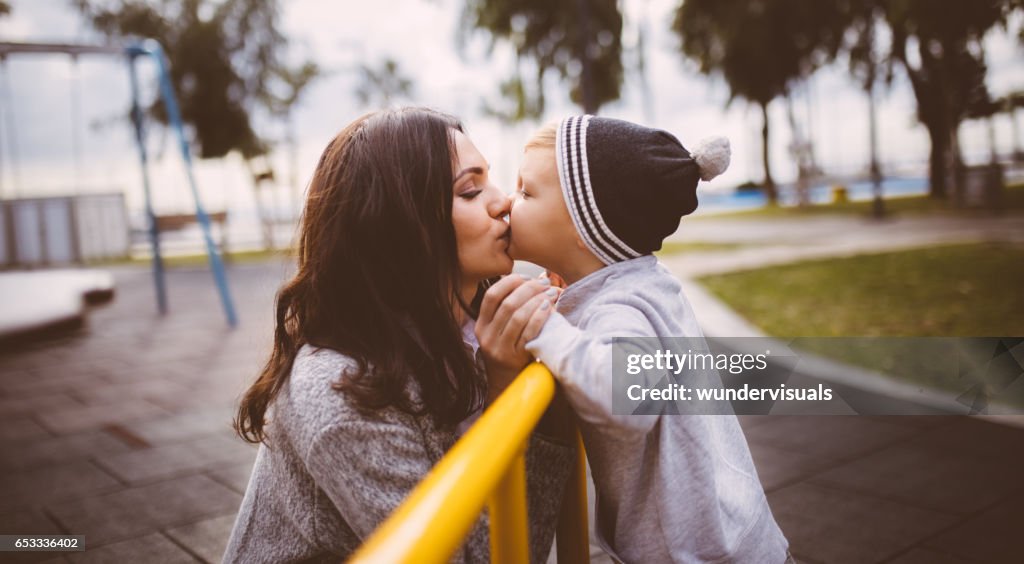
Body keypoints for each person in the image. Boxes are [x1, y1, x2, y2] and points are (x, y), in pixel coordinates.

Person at [223, 107, 574, 563]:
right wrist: (506, 388)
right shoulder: (339, 394)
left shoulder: (471, 320)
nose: (502, 201)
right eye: (469, 191)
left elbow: (659, 384)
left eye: (488, 179)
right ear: (400, 226)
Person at [496, 115, 790, 563]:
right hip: (733, 534)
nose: (506, 203)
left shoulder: (620, 308)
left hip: (695, 552)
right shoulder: (643, 283)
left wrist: (544, 327)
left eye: (525, 192)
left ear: (582, 227)